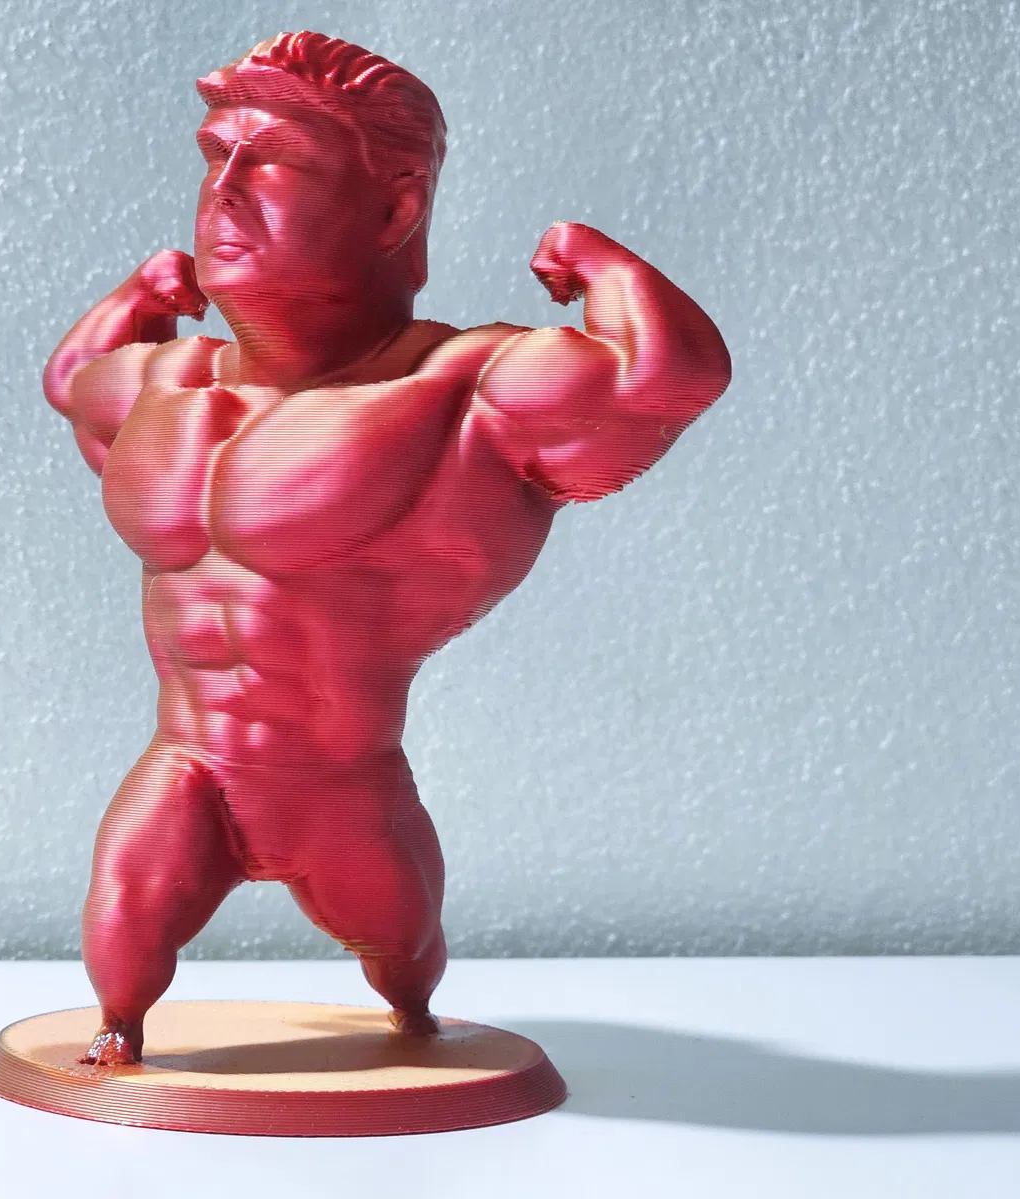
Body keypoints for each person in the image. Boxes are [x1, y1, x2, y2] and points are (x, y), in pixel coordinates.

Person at [42, 31, 731, 1065]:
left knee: (405, 958)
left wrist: (600, 260)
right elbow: (71, 384)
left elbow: (660, 379)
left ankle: (412, 1017)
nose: (223, 191)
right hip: (186, 762)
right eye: (214, 155)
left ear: (396, 209)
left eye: (272, 162)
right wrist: (138, 299)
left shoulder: (460, 388)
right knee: (123, 928)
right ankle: (116, 1043)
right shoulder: (165, 385)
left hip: (343, 784)